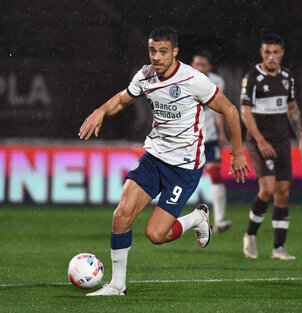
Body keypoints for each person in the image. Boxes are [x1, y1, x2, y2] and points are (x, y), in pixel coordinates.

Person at [78, 26, 250, 296]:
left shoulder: (194, 80)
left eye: (162, 51)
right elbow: (123, 99)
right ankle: (116, 285)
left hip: (184, 167)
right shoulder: (145, 75)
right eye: (152, 51)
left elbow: (228, 109)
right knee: (121, 215)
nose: (156, 57)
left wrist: (238, 152)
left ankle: (197, 218)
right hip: (154, 157)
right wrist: (101, 111)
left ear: (175, 52)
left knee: (156, 235)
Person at [240, 34, 302, 260]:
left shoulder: (287, 77)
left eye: (275, 52)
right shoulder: (252, 77)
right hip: (259, 140)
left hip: (281, 140)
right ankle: (250, 235)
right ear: (262, 53)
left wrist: (301, 139)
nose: (271, 57)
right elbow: (245, 111)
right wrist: (260, 139)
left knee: (283, 193)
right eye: (267, 52)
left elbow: (292, 107)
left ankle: (278, 248)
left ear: (282, 54)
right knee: (268, 189)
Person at [191, 50, 231, 233]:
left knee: (215, 174)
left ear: (209, 67)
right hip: (189, 138)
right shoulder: (185, 80)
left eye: (202, 65)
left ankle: (220, 220)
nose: (199, 68)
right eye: (196, 64)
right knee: (184, 177)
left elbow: (218, 110)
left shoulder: (217, 82)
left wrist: (222, 133)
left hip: (211, 137)